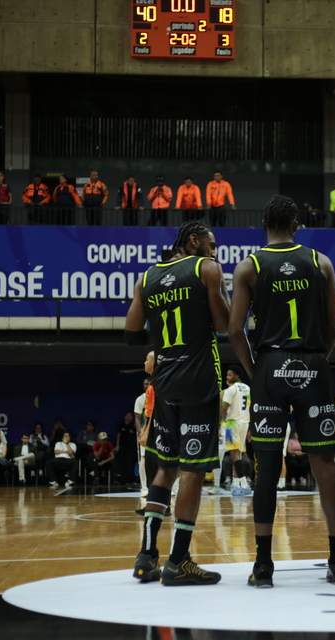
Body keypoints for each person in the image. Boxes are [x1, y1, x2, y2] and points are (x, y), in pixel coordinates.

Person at [229, 195, 335, 589]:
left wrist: (256, 371)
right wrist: (317, 360)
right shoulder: (321, 262)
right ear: (297, 225)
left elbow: (234, 330)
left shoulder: (249, 266)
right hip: (312, 364)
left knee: (266, 467)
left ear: (264, 224)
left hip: (270, 366)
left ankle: (263, 564)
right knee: (325, 465)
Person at [127, 220, 229, 586]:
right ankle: (179, 560)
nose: (214, 251)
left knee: (164, 469)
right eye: (211, 244)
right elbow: (223, 324)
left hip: (165, 382)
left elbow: (132, 331)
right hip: (198, 381)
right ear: (194, 240)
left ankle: (146, 556)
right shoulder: (206, 269)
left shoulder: (147, 277)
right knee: (193, 471)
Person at [220, 367, 252, 493]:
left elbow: (224, 408)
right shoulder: (247, 388)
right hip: (245, 422)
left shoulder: (230, 389)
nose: (227, 377)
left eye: (230, 375)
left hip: (231, 423)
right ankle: (236, 482)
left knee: (234, 454)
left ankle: (243, 483)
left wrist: (222, 423)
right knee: (238, 453)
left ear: (237, 375)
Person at [134, 357, 154, 512]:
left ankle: (171, 490)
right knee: (144, 459)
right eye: (145, 384)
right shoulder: (140, 399)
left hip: (158, 431)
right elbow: (138, 417)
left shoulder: (157, 392)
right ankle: (145, 488)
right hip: (146, 432)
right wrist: (141, 432)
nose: (146, 386)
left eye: (149, 383)